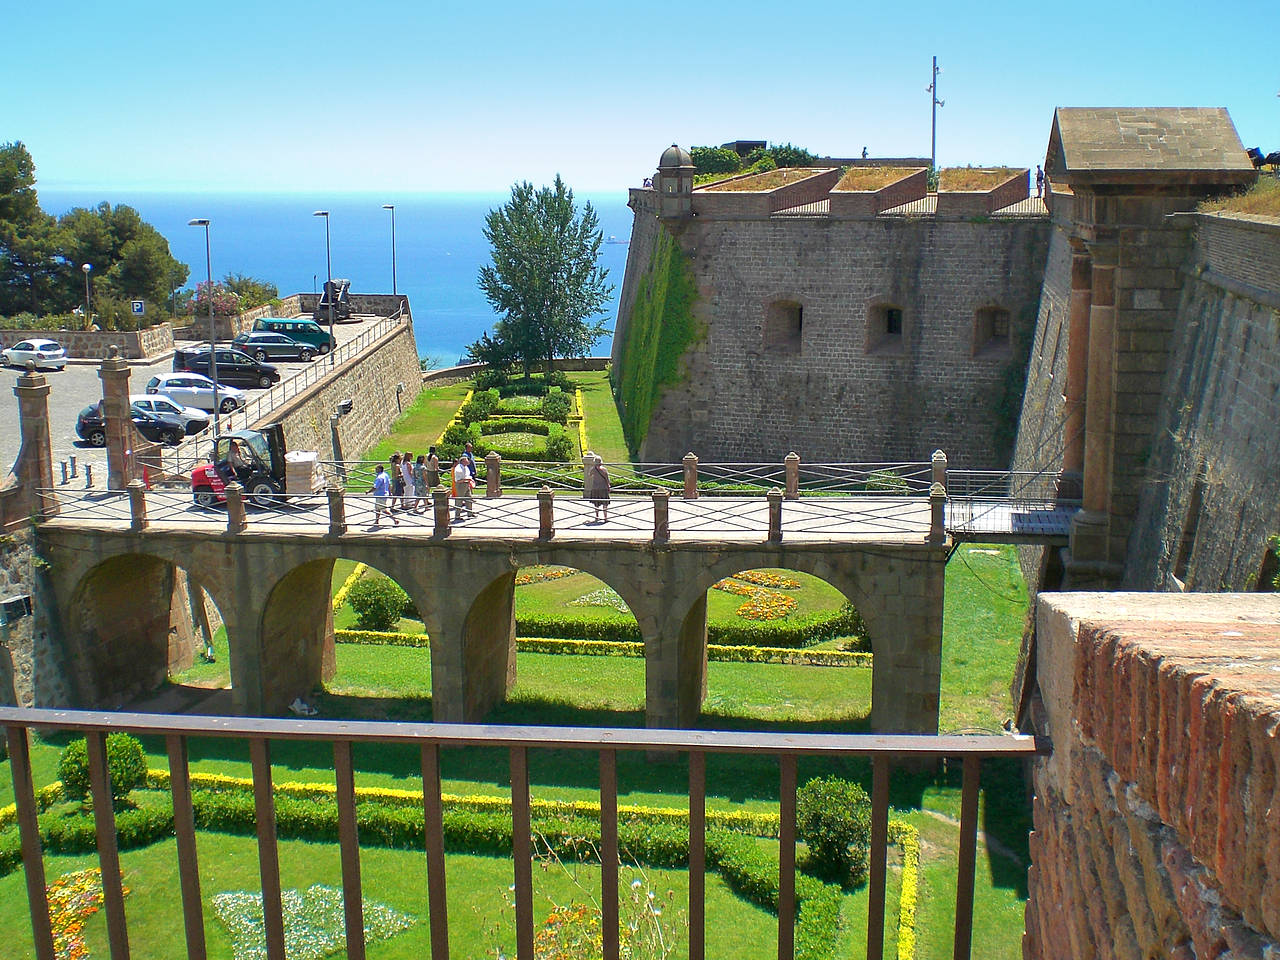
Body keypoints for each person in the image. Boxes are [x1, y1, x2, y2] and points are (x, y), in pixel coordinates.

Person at [585, 453, 610, 521]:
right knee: (605, 503)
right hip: (603, 488)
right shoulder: (604, 470)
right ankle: (605, 517)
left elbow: (589, 475)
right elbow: (607, 479)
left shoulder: (593, 469)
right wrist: (608, 486)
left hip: (595, 488)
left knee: (596, 504)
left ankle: (597, 516)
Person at [451, 456, 474, 521]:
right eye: (467, 460)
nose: (468, 461)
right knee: (459, 500)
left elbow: (467, 475)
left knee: (469, 498)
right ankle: (457, 516)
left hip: (466, 484)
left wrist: (469, 480)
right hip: (460, 485)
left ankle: (470, 513)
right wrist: (466, 479)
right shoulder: (458, 469)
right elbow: (457, 480)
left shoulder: (466, 467)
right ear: (463, 461)